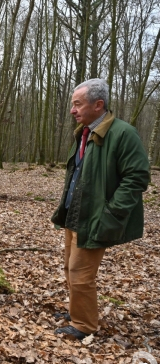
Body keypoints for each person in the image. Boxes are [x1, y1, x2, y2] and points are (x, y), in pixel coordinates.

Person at [51, 78, 149, 340]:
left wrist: (111, 213)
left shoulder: (122, 133)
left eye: (77, 104)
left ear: (99, 104)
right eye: (73, 105)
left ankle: (84, 326)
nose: (73, 110)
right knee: (71, 270)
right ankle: (76, 312)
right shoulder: (84, 132)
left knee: (82, 275)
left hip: (95, 219)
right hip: (75, 215)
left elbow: (137, 178)